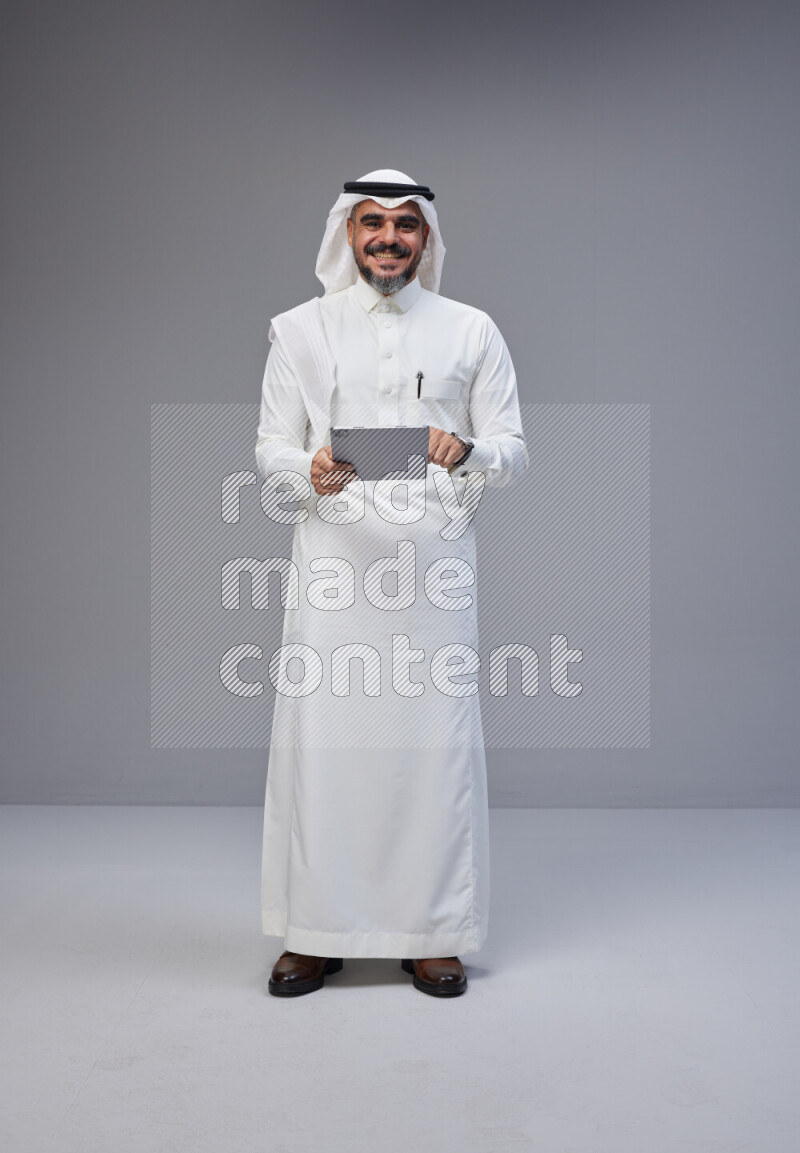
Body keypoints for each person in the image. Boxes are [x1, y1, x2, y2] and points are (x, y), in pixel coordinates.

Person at [254, 169, 527, 997]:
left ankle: (432, 931)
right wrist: (311, 466)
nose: (387, 238)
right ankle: (314, 931)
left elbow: (513, 447)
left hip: (432, 576)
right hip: (335, 570)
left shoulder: (472, 331)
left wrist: (467, 450)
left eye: (406, 225)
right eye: (371, 222)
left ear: (427, 238)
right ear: (347, 233)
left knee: (430, 749)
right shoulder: (300, 332)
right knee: (325, 747)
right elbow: (269, 447)